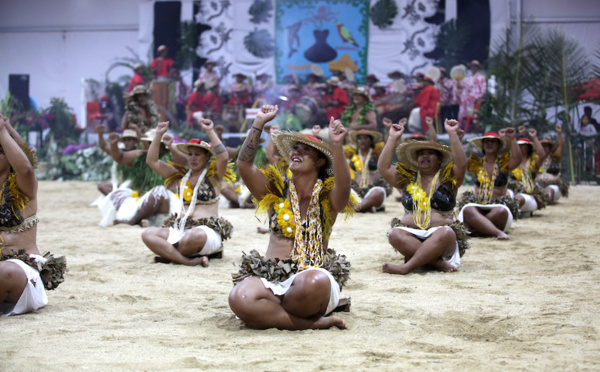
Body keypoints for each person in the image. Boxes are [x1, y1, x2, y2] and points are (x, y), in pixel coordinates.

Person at [229, 105, 356, 330]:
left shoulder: (328, 198)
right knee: (239, 297)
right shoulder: (275, 192)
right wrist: (258, 123)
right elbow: (244, 165)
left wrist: (337, 146)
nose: (296, 152)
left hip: (310, 278)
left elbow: (344, 187)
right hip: (272, 277)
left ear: (319, 162)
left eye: (305, 150)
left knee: (314, 281)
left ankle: (273, 314)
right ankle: (310, 323)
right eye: (294, 148)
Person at [378, 118, 468, 274]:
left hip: (440, 238)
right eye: (421, 154)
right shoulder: (407, 179)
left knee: (446, 232)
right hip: (411, 235)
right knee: (394, 234)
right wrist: (392, 137)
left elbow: (461, 164)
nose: (425, 156)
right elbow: (384, 168)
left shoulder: (448, 179)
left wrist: (452, 134)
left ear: (440, 158)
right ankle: (436, 263)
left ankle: (406, 267)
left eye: (430, 153)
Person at [142, 119, 233, 266]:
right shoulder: (178, 177)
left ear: (207, 157)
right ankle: (187, 260)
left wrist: (210, 130)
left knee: (194, 236)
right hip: (180, 230)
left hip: (205, 233)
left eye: (197, 154)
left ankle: (170, 254)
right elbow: (152, 161)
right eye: (190, 154)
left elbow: (224, 157)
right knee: (147, 234)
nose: (192, 158)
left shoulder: (214, 176)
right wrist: (158, 134)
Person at [0, 114, 66, 316]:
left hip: (21, 272)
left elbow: (27, 168)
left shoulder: (24, 188)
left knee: (3, 272)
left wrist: (4, 129)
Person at [94, 129, 183, 227]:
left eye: (156, 143)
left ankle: (132, 221)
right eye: (150, 143)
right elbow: (120, 157)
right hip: (142, 198)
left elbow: (183, 162)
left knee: (158, 192)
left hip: (164, 200)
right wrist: (114, 145)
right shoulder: (141, 155)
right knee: (118, 193)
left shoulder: (171, 157)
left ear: (163, 145)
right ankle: (139, 219)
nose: (152, 146)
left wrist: (171, 146)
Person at [457, 129, 521, 239]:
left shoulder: (504, 164)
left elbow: (518, 159)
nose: (489, 144)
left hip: (498, 206)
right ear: (482, 145)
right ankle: (496, 232)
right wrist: (458, 140)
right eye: (486, 141)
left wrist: (512, 138)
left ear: (499, 145)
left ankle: (475, 227)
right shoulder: (476, 163)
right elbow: (460, 162)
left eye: (493, 141)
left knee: (501, 211)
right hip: (478, 205)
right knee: (468, 209)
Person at [345, 129, 391, 212]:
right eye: (360, 138)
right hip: (356, 192)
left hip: (372, 191)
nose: (362, 141)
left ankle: (357, 208)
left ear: (371, 141)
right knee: (342, 190)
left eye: (366, 138)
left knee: (379, 192)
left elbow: (388, 147)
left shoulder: (376, 154)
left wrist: (387, 130)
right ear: (357, 141)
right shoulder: (352, 154)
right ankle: (366, 207)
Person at [508, 127, 549, 215]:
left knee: (519, 199)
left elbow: (542, 155)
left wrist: (534, 137)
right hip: (512, 194)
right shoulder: (511, 161)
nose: (519, 147)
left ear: (528, 148)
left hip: (528, 196)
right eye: (518, 145)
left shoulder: (533, 163)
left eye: (522, 145)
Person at [536, 125, 568, 204]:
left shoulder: (555, 158)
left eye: (547, 146)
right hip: (537, 186)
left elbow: (561, 147)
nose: (544, 148)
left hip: (553, 187)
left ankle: (547, 200)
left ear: (550, 148)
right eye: (542, 146)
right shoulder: (535, 160)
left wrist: (559, 133)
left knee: (549, 191)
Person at [457, 60, 486, 129]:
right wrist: (458, 81)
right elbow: (462, 86)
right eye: (472, 67)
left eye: (474, 67)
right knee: (461, 113)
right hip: (466, 100)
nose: (473, 68)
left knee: (473, 115)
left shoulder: (481, 77)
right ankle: (461, 127)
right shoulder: (469, 78)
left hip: (475, 99)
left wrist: (480, 98)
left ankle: (473, 128)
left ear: (477, 68)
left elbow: (483, 90)